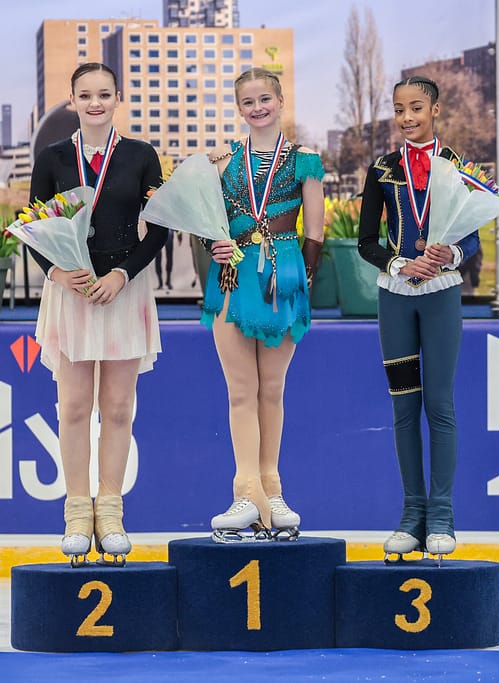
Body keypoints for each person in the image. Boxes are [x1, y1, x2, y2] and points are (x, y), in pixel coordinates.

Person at [28, 62, 168, 566]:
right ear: (72, 100)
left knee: (118, 407)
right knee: (72, 407)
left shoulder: (140, 156)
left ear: (117, 99)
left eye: (104, 94)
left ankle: (110, 511)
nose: (94, 103)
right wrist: (56, 272)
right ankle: (75, 512)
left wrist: (122, 275)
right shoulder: (51, 158)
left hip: (123, 290)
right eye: (85, 95)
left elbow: (159, 230)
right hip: (72, 292)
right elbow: (33, 226)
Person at [357, 76, 481, 562]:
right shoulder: (381, 170)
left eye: (416, 108)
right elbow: (366, 241)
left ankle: (442, 514)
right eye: (399, 109)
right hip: (395, 300)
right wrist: (397, 264)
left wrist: (451, 253)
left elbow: (472, 238)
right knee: (404, 406)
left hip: (441, 298)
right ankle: (412, 514)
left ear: (435, 110)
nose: (407, 117)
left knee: (441, 404)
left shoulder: (458, 167)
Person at [203, 68, 325, 542]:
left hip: (282, 275)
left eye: (264, 99)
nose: (257, 108)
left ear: (280, 101)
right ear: (238, 108)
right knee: (240, 391)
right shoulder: (221, 162)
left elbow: (315, 230)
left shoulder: (304, 160)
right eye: (248, 101)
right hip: (232, 276)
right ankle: (245, 492)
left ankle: (272, 490)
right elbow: (205, 222)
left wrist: (303, 281)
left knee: (271, 389)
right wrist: (211, 244)